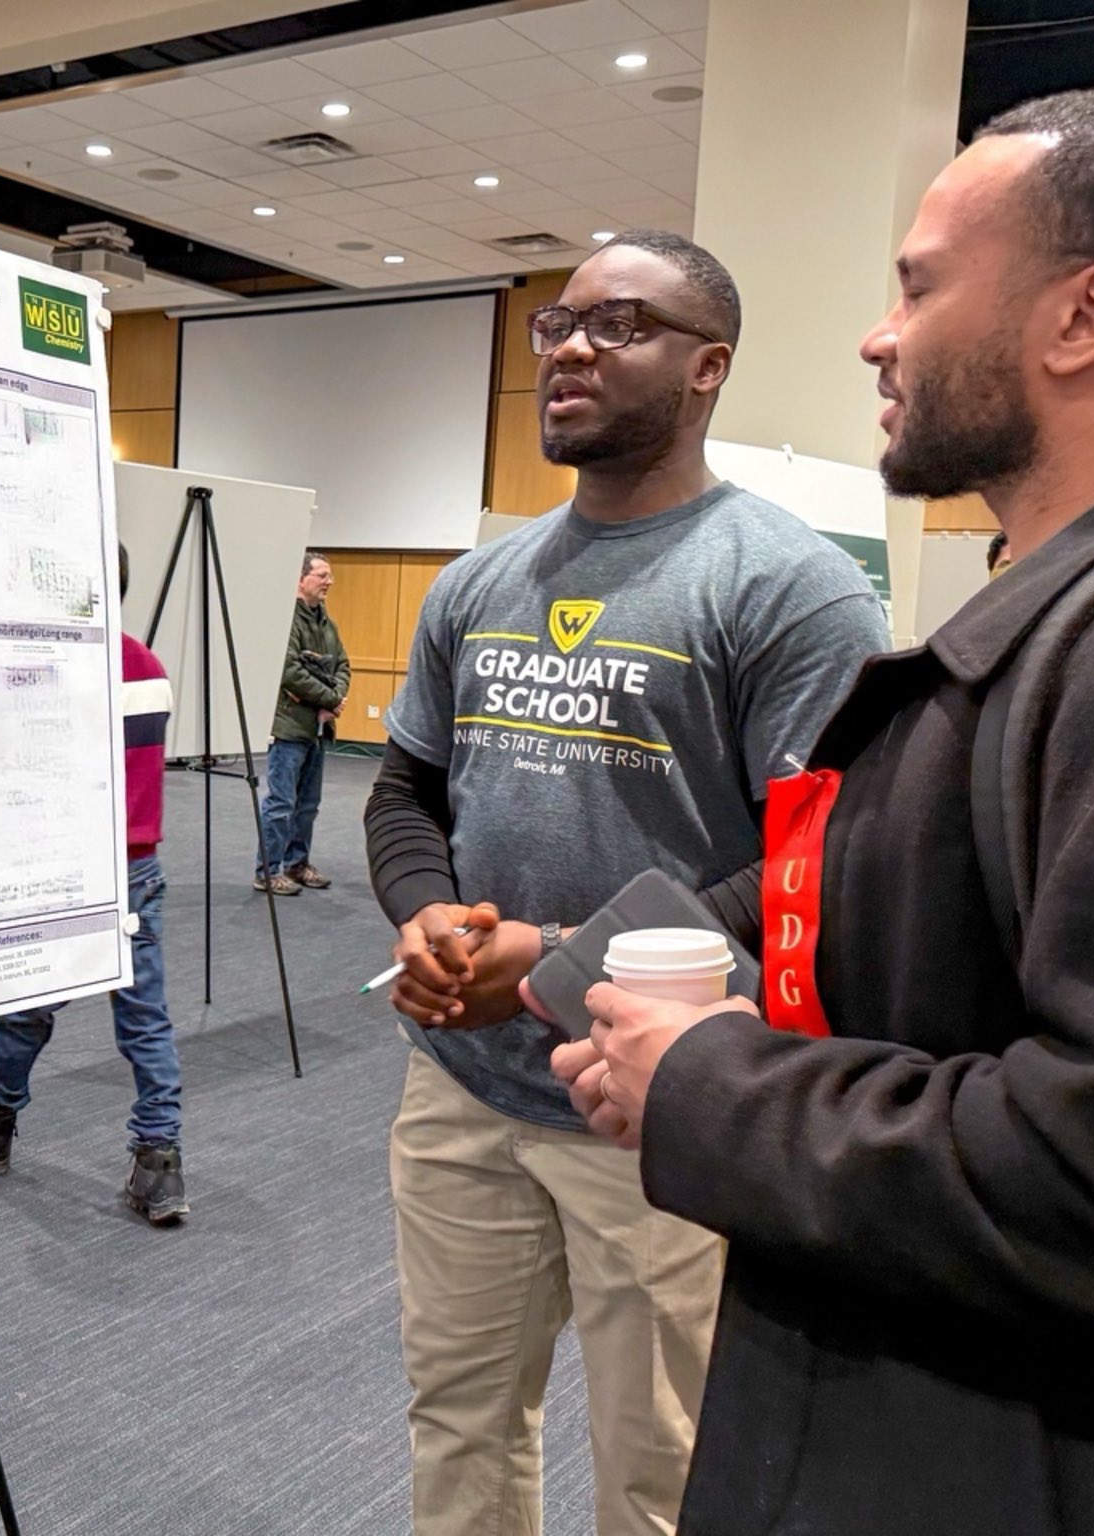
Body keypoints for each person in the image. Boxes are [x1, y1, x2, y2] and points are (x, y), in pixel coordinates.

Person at [555, 85, 1094, 1535]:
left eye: (922, 287)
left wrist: (708, 1086)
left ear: (1085, 316)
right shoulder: (1069, 625)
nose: (882, 337)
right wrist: (577, 963)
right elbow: (877, 892)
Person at [363, 230, 887, 1536]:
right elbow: (405, 793)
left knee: (662, 1468)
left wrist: (554, 961)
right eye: (559, 323)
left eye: (624, 323)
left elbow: (827, 865)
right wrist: (426, 913)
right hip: (463, 1100)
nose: (575, 345)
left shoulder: (790, 588)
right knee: (459, 1422)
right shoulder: (482, 581)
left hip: (654, 1113)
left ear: (708, 366)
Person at [0, 544, 187, 1226]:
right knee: (144, 1020)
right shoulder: (149, 667)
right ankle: (159, 1162)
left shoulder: (54, 671)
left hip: (71, 864)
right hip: (136, 868)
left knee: (28, 1000)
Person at [254, 551, 348, 897]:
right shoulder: (286, 621)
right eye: (322, 575)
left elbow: (344, 665)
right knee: (281, 803)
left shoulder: (326, 622)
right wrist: (329, 699)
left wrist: (334, 697)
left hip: (318, 730)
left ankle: (297, 863)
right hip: (289, 730)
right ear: (301, 580)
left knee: (308, 805)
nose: (329, 582)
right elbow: (289, 671)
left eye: (329, 575)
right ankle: (267, 871)